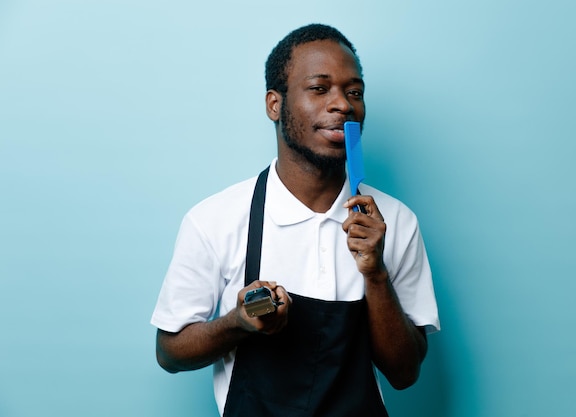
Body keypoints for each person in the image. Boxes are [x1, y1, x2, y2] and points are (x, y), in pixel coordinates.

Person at [151, 23, 440, 417]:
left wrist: (375, 274)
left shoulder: (396, 222)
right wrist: (239, 322)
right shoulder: (215, 219)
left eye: (354, 92)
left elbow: (405, 372)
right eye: (320, 89)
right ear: (275, 104)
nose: (343, 104)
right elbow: (169, 352)